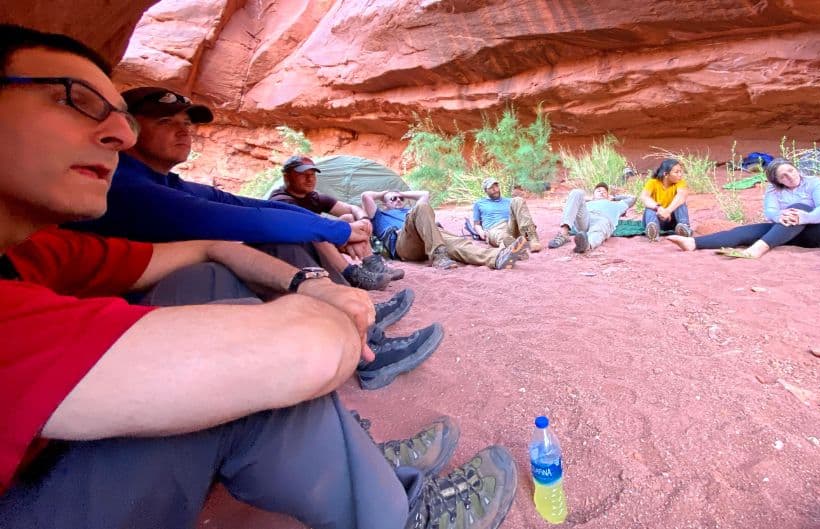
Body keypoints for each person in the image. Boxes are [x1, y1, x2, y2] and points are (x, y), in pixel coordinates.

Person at [0, 24, 517, 529]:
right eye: (77, 100)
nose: (117, 133)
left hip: (67, 442)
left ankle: (352, 453)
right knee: (253, 347)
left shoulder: (42, 249)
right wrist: (324, 300)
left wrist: (308, 280)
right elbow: (248, 256)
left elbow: (214, 236)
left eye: (121, 116)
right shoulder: (127, 193)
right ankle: (391, 503)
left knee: (208, 280)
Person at [67, 86, 391, 290]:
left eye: (187, 123)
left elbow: (243, 204)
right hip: (112, 308)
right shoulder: (124, 186)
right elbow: (243, 220)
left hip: (153, 292)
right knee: (237, 263)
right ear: (127, 131)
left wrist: (334, 227)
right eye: (165, 122)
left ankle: (357, 325)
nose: (183, 132)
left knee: (284, 245)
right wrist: (338, 231)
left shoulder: (163, 181)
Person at [666, 159, 820, 258]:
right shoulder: (773, 189)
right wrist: (779, 216)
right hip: (789, 231)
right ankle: (694, 243)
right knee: (748, 231)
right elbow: (770, 211)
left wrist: (803, 217)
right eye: (783, 176)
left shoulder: (814, 182)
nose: (790, 176)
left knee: (798, 207)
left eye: (791, 171)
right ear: (777, 181)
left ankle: (758, 249)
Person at [269, 154, 404, 281]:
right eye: (303, 175)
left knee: (349, 218)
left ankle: (372, 265)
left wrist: (364, 220)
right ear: (287, 177)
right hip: (293, 252)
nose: (310, 179)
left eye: (312, 174)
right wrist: (352, 230)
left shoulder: (313, 197)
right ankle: (352, 275)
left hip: (315, 245)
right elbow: (314, 226)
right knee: (321, 230)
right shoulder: (281, 200)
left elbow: (351, 208)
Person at [362, 189, 528, 270]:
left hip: (431, 237)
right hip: (404, 244)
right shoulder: (380, 215)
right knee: (420, 209)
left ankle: (498, 257)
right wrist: (385, 193)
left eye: (400, 198)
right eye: (394, 199)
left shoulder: (409, 209)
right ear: (385, 203)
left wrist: (400, 192)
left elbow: (424, 194)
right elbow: (366, 196)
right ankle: (439, 257)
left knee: (459, 244)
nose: (398, 200)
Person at [547, 182, 636, 253]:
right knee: (576, 192)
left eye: (604, 192)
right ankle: (564, 234)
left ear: (608, 196)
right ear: (593, 195)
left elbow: (633, 198)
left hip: (602, 219)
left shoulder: (616, 205)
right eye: (598, 191)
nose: (601, 192)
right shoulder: (587, 203)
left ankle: (586, 244)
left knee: (600, 226)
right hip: (586, 218)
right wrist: (590, 199)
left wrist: (614, 198)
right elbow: (569, 201)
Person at [472, 177, 543, 253]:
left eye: (496, 186)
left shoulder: (509, 201)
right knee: (504, 237)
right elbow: (476, 223)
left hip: (510, 226)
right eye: (491, 188)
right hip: (494, 229)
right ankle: (510, 249)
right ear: (486, 190)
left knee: (518, 200)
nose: (495, 189)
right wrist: (481, 232)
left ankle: (532, 239)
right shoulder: (479, 203)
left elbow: (522, 216)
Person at [640, 159, 692, 241]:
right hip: (658, 218)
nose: (680, 174)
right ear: (666, 174)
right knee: (650, 207)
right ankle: (653, 231)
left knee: (681, 204)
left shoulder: (680, 183)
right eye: (676, 172)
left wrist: (668, 211)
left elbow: (682, 195)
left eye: (681, 171)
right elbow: (644, 197)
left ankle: (684, 227)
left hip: (673, 220)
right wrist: (659, 208)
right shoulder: (653, 182)